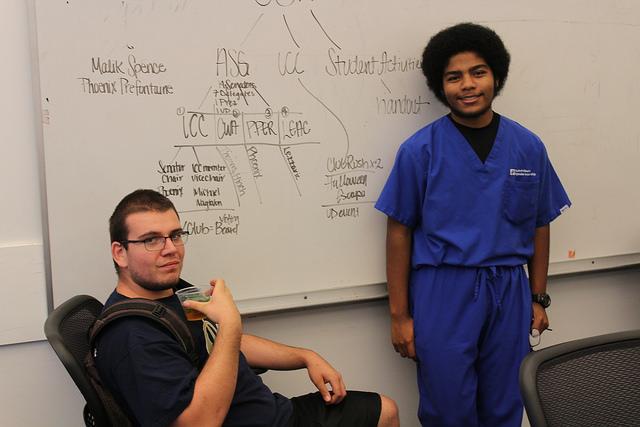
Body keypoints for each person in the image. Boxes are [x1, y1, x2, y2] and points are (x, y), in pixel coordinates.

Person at [375, 23, 571, 426]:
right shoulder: (420, 151)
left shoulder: (528, 146)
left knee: (506, 404)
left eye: (478, 72)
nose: (467, 84)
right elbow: (398, 232)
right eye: (454, 76)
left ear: (496, 76)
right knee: (449, 408)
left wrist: (538, 297)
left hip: (509, 291)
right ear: (440, 86)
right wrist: (399, 316)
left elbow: (540, 223)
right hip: (443, 289)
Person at [95, 189, 399, 427]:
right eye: (151, 240)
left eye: (175, 235)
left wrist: (306, 357)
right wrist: (230, 325)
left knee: (382, 409)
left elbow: (218, 343)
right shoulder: (133, 337)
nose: (171, 249)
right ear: (119, 253)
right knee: (384, 413)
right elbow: (198, 423)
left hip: (270, 412)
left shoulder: (169, 293)